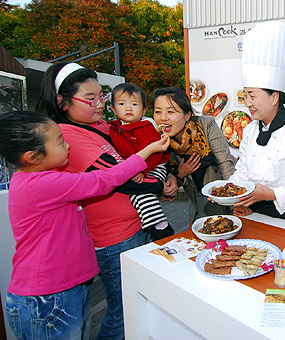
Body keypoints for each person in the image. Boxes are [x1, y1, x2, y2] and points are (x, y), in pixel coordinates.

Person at [35, 62, 178, 340]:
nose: (101, 103)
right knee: (122, 312)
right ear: (62, 103)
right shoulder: (70, 137)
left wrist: (168, 173)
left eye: (101, 95)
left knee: (135, 304)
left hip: (135, 225)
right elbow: (120, 180)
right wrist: (162, 182)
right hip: (114, 238)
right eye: (91, 99)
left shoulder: (102, 125)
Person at [0, 111, 169, 340]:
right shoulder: (41, 184)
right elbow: (103, 180)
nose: (68, 145)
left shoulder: (42, 176)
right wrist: (147, 150)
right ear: (32, 156)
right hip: (48, 296)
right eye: (60, 141)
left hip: (65, 288)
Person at [228, 21, 285, 224]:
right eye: (245, 96)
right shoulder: (250, 130)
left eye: (252, 95)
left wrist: (270, 194)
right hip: (253, 210)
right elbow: (242, 170)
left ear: (274, 97)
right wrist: (231, 193)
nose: (248, 103)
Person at [152, 87, 236, 220]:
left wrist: (235, 202)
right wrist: (178, 175)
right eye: (157, 112)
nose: (163, 118)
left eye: (170, 112)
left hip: (224, 187)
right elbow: (165, 175)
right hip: (197, 197)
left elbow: (224, 162)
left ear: (187, 115)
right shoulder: (158, 141)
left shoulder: (205, 124)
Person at [108, 83, 172, 232]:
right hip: (135, 168)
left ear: (144, 109)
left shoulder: (146, 127)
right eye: (122, 103)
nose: (128, 108)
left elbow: (152, 154)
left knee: (141, 193)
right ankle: (154, 223)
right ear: (113, 109)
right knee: (135, 195)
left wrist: (142, 172)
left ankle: (161, 226)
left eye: (134, 104)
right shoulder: (114, 127)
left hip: (153, 166)